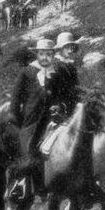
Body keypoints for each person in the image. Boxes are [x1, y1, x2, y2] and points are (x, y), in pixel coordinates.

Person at [10, 38, 61, 198]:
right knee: (29, 153)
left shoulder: (57, 73)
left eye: (49, 54)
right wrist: (17, 120)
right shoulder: (27, 72)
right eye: (42, 54)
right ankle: (22, 186)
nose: (45, 57)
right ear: (37, 54)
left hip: (53, 119)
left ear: (53, 55)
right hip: (32, 120)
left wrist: (59, 106)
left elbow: (62, 94)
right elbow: (15, 99)